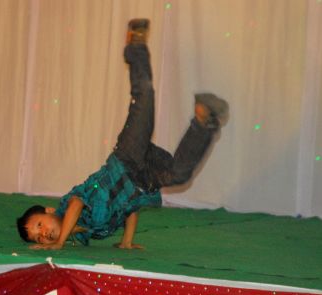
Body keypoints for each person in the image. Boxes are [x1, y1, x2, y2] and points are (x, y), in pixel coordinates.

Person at [17, 18, 228, 251]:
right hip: (142, 178)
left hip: (126, 157)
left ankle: (136, 44)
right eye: (39, 237)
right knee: (179, 175)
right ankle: (204, 120)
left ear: (49, 211)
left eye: (39, 225)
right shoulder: (91, 232)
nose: (43, 234)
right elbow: (128, 207)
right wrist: (126, 241)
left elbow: (78, 204)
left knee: (144, 100)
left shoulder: (68, 205)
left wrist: (59, 243)